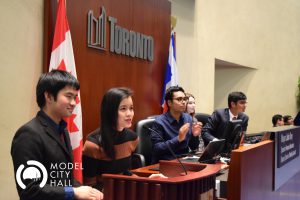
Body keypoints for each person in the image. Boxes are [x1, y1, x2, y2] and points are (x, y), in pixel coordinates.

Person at [11, 70, 103, 200]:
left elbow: (64, 178)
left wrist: (89, 192)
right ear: (48, 96)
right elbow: (29, 189)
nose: (73, 103)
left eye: (75, 97)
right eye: (69, 96)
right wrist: (74, 192)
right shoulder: (28, 134)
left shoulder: (62, 130)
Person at [82, 87, 138, 190]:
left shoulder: (132, 138)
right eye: (123, 109)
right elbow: (89, 185)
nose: (129, 113)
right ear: (110, 112)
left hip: (123, 191)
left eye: (131, 108)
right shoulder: (93, 144)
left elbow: (125, 172)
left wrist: (147, 182)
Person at [150, 86, 202, 164]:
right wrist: (178, 139)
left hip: (184, 160)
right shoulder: (159, 122)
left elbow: (193, 147)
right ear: (169, 103)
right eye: (179, 99)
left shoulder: (188, 118)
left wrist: (195, 136)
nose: (183, 102)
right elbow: (157, 149)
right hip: (166, 162)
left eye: (184, 99)